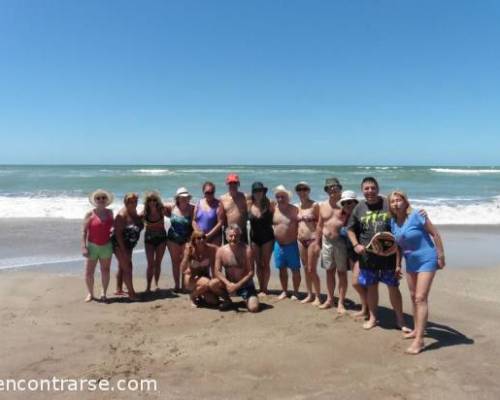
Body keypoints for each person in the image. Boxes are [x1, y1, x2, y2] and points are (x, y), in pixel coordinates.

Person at [347, 177, 409, 331]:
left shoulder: (388, 203)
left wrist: (398, 262)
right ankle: (373, 318)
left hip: (389, 256)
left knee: (393, 287)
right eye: (366, 188)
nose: (370, 191)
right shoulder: (359, 207)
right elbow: (350, 229)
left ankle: (400, 320)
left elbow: (404, 215)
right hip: (368, 257)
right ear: (362, 190)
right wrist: (356, 245)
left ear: (378, 188)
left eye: (373, 188)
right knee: (371, 287)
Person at [388, 190, 446, 354]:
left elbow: (435, 233)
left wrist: (440, 255)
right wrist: (398, 264)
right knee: (413, 297)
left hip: (427, 258)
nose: (396, 203)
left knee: (421, 298)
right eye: (393, 201)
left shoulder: (417, 215)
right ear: (390, 205)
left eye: (399, 200)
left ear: (406, 202)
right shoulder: (393, 223)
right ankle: (416, 329)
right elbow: (398, 245)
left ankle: (419, 340)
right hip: (410, 262)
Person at [314, 178, 350, 313]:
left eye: (335, 187)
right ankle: (329, 299)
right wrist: (317, 243)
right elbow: (319, 225)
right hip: (326, 242)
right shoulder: (323, 205)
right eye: (329, 187)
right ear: (326, 190)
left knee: (341, 273)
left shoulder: (346, 204)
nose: (332, 189)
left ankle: (341, 302)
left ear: (340, 188)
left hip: (341, 242)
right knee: (329, 271)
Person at [209, 224, 260, 312]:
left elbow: (251, 272)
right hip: (229, 284)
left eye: (236, 236)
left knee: (254, 308)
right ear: (226, 237)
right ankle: (227, 300)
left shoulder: (247, 250)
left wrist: (237, 285)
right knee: (212, 284)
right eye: (231, 236)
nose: (233, 238)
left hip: (245, 285)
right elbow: (217, 271)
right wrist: (228, 284)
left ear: (240, 236)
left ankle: (248, 299)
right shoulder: (221, 251)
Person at [81, 189, 114, 302]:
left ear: (107, 200)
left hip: (107, 246)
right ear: (94, 200)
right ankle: (90, 294)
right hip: (92, 246)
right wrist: (83, 247)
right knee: (89, 272)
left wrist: (113, 229)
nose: (101, 200)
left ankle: (103, 293)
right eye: (98, 198)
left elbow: (113, 226)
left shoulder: (110, 213)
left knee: (105, 270)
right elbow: (84, 232)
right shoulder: (90, 214)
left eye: (103, 198)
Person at [112, 192, 143, 300]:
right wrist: (123, 249)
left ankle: (118, 289)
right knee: (128, 267)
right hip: (119, 244)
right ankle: (132, 294)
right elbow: (118, 234)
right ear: (125, 202)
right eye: (130, 201)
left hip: (129, 244)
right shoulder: (121, 215)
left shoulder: (134, 211)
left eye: (135, 201)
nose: (133, 203)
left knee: (122, 266)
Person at [272, 185, 301, 300]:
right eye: (278, 196)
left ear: (288, 197)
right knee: (281, 269)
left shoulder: (294, 209)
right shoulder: (273, 208)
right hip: (278, 245)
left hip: (292, 244)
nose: (280, 199)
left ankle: (296, 292)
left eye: (282, 196)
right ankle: (284, 291)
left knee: (295, 270)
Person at [295, 181, 321, 306]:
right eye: (299, 190)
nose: (302, 192)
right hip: (300, 240)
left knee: (312, 269)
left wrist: (318, 240)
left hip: (312, 240)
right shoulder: (297, 206)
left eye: (304, 189)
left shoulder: (315, 205)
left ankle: (318, 296)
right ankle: (309, 294)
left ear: (308, 191)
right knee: (305, 269)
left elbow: (320, 224)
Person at [247, 182, 275, 296]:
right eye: (256, 191)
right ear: (253, 193)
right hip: (254, 238)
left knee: (266, 263)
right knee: (258, 263)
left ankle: (265, 288)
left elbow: (277, 217)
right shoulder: (248, 205)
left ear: (264, 192)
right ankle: (260, 287)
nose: (258, 193)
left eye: (260, 191)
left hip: (267, 237)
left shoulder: (270, 204)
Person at [181, 230, 219, 307]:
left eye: (203, 237)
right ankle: (192, 296)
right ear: (194, 240)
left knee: (213, 301)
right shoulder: (190, 249)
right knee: (207, 283)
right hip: (191, 278)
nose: (202, 240)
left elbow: (213, 267)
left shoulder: (210, 249)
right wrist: (186, 256)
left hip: (205, 276)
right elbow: (182, 269)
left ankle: (200, 294)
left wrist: (215, 281)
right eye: (199, 238)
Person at [166, 187, 195, 292]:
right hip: (172, 239)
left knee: (185, 262)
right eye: (182, 197)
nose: (184, 199)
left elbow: (196, 222)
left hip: (186, 239)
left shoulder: (192, 208)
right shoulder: (171, 207)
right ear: (177, 198)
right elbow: (157, 208)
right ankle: (177, 285)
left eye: (186, 197)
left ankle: (184, 285)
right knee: (175, 262)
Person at [142, 191, 168, 293]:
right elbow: (135, 220)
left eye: (154, 200)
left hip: (161, 238)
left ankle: (156, 283)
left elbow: (174, 211)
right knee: (150, 264)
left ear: (157, 201)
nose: (152, 202)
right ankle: (148, 286)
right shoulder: (144, 213)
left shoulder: (162, 210)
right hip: (149, 239)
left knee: (158, 263)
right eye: (150, 200)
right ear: (147, 202)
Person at [220, 173, 248, 243]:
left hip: (241, 232)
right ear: (227, 184)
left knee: (243, 253)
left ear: (238, 184)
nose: (232, 185)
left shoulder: (245, 197)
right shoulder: (222, 198)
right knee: (228, 253)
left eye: (235, 183)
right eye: (230, 183)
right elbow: (221, 218)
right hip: (229, 232)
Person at [192, 181, 223, 246]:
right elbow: (194, 221)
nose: (209, 194)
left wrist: (208, 235)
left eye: (211, 192)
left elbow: (220, 223)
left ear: (214, 192)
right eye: (207, 192)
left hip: (214, 238)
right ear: (203, 192)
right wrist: (199, 233)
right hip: (200, 238)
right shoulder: (198, 203)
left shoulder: (218, 204)